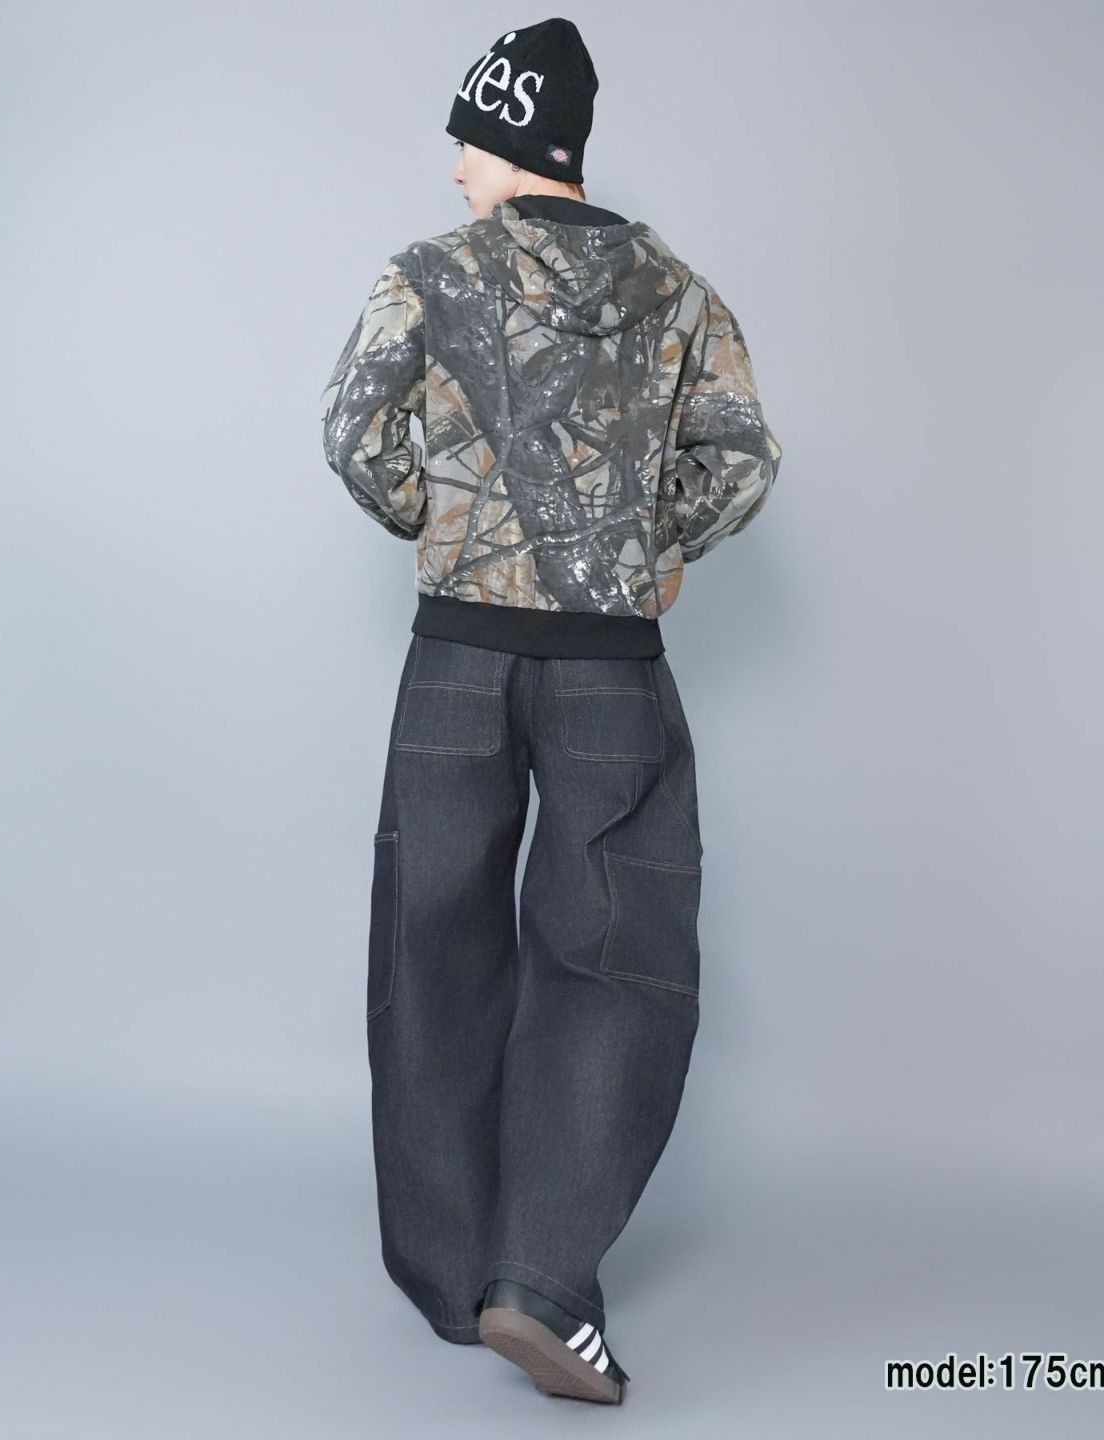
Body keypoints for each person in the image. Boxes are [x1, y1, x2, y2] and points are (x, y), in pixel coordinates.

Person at [319, 16, 782, 1406]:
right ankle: (543, 1280)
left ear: (511, 137)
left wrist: (446, 529)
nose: (456, 170)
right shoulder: (681, 291)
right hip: (606, 670)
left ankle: (454, 1274)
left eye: (466, 143)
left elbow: (354, 433)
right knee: (612, 960)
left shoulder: (426, 274)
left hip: (456, 664)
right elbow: (742, 460)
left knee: (436, 947)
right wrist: (653, 549)